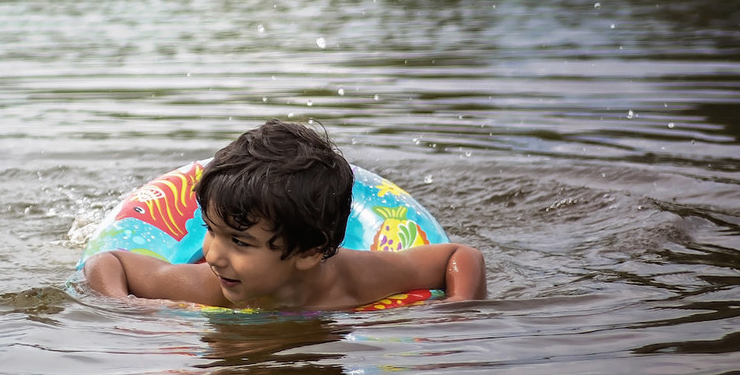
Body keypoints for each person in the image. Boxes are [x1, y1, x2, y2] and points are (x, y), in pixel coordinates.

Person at [83, 120, 487, 310]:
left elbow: (459, 257)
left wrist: (459, 311)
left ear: (311, 251)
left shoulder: (361, 279)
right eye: (211, 230)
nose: (215, 254)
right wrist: (125, 309)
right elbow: (108, 262)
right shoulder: (207, 284)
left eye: (239, 241)